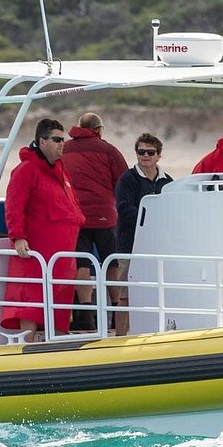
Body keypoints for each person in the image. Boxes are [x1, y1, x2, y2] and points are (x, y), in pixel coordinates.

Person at [0, 117, 86, 340]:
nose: (62, 144)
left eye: (63, 140)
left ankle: (56, 341)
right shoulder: (26, 170)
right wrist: (18, 237)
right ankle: (27, 343)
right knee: (32, 296)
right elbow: (14, 205)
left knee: (60, 296)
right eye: (57, 139)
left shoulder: (60, 170)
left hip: (62, 254)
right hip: (38, 251)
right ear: (42, 141)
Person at [60, 112, 129, 332]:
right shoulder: (108, 149)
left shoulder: (66, 148)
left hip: (76, 216)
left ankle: (86, 314)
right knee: (112, 262)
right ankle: (117, 311)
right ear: (99, 129)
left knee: (82, 264)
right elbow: (123, 180)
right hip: (105, 216)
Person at [112, 132, 174, 334]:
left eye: (150, 152)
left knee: (158, 293)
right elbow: (124, 209)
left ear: (159, 156)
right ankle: (120, 336)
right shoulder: (127, 180)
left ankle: (155, 333)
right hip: (130, 247)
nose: (145, 155)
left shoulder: (168, 183)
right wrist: (153, 218)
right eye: (141, 152)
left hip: (159, 248)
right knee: (125, 295)